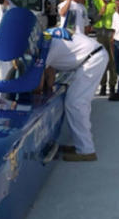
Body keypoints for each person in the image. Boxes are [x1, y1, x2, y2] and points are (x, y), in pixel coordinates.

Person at [38, 28, 109, 162]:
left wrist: (37, 94)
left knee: (76, 103)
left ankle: (86, 151)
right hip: (93, 55)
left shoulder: (45, 47)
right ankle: (80, 145)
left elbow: (38, 81)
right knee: (78, 103)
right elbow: (50, 71)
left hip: (92, 60)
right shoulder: (47, 37)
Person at [91, 0, 118, 96]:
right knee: (102, 61)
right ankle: (102, 86)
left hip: (112, 33)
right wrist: (100, 13)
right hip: (100, 33)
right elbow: (92, 19)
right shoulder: (95, 0)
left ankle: (112, 86)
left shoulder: (117, 0)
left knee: (112, 61)